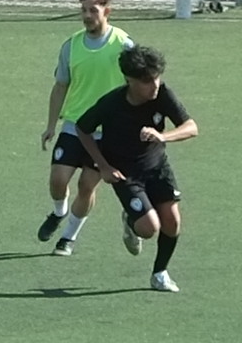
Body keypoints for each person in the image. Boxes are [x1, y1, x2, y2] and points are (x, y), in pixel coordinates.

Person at [60, 43, 200, 293]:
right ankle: (132, 218)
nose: (154, 85)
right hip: (125, 173)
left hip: (157, 167)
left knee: (172, 222)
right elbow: (83, 128)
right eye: (147, 81)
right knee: (149, 229)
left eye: (156, 78)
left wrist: (163, 136)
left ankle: (159, 274)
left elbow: (191, 127)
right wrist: (103, 166)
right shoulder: (112, 104)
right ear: (129, 80)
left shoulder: (164, 94)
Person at [37, 0, 137, 250]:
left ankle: (68, 237)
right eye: (83, 10)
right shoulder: (71, 46)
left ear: (107, 11)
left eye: (93, 10)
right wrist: (50, 125)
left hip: (107, 133)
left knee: (86, 185)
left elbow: (139, 85)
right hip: (74, 126)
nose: (87, 15)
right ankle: (59, 212)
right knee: (58, 181)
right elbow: (61, 86)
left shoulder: (124, 45)